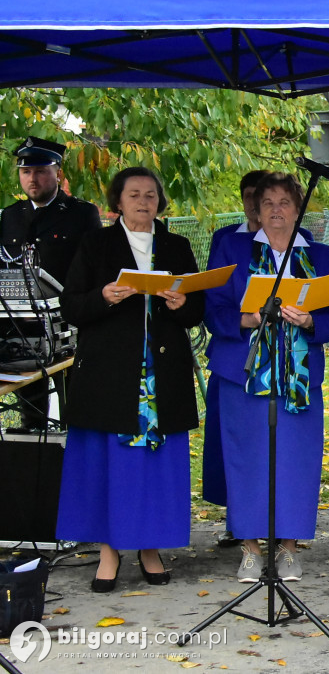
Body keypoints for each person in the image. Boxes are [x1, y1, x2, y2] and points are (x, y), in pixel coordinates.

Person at [55, 167, 203, 592]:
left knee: (156, 468)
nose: (143, 202)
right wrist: (103, 296)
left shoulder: (176, 245)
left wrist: (180, 303)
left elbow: (198, 311)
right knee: (109, 468)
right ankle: (108, 550)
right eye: (134, 194)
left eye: (152, 195)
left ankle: (150, 548)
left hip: (163, 377)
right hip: (109, 377)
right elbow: (72, 307)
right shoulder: (96, 243)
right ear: (116, 201)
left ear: (160, 202)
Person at [205, 172, 329, 583]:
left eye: (285, 202)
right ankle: (249, 548)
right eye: (268, 203)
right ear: (257, 209)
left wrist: (311, 321)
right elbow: (212, 307)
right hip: (243, 375)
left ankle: (288, 548)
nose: (276, 211)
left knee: (296, 462)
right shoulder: (233, 248)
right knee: (246, 460)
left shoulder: (320, 255)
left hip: (299, 377)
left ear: (298, 208)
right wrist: (245, 319)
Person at [0, 136, 102, 431]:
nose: (33, 178)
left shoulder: (81, 214)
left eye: (42, 170)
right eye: (26, 171)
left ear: (58, 172)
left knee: (77, 411)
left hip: (70, 325)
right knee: (31, 415)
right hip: (24, 328)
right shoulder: (10, 216)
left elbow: (94, 269)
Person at [203, 169, 269, 549]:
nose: (254, 204)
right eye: (249, 195)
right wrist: (240, 319)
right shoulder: (226, 239)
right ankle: (238, 520)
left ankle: (273, 520)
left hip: (281, 360)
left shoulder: (300, 240)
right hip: (235, 357)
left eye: (261, 195)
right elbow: (214, 299)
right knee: (231, 444)